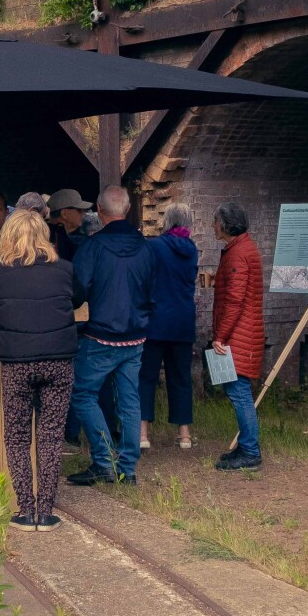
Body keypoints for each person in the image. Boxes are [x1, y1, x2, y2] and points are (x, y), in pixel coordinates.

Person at [0, 208, 84, 532]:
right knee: (51, 435)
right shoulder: (64, 269)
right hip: (58, 360)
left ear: (8, 237)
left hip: (17, 363)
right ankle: (46, 512)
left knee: (17, 435)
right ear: (44, 236)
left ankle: (26, 511)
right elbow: (80, 297)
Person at [67, 186, 153, 485]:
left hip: (100, 334)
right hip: (135, 334)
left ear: (100, 211)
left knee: (83, 394)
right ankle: (127, 468)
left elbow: (76, 292)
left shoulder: (92, 247)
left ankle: (103, 460)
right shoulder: (146, 247)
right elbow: (153, 289)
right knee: (129, 400)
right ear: (127, 210)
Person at [210, 201, 265, 471]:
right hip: (244, 331)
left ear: (225, 225)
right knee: (237, 390)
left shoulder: (237, 254)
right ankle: (245, 447)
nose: (213, 226)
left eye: (215, 221)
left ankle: (250, 452)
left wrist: (220, 337)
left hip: (239, 333)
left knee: (239, 391)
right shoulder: (242, 248)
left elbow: (234, 300)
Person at [140, 202, 199, 450]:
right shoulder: (192, 249)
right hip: (183, 321)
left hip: (155, 321)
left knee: (146, 377)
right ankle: (184, 434)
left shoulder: (154, 246)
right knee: (181, 378)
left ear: (167, 220)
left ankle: (143, 434)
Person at [47, 189, 93, 260]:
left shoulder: (57, 234)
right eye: (79, 210)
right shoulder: (48, 237)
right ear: (64, 213)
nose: (83, 213)